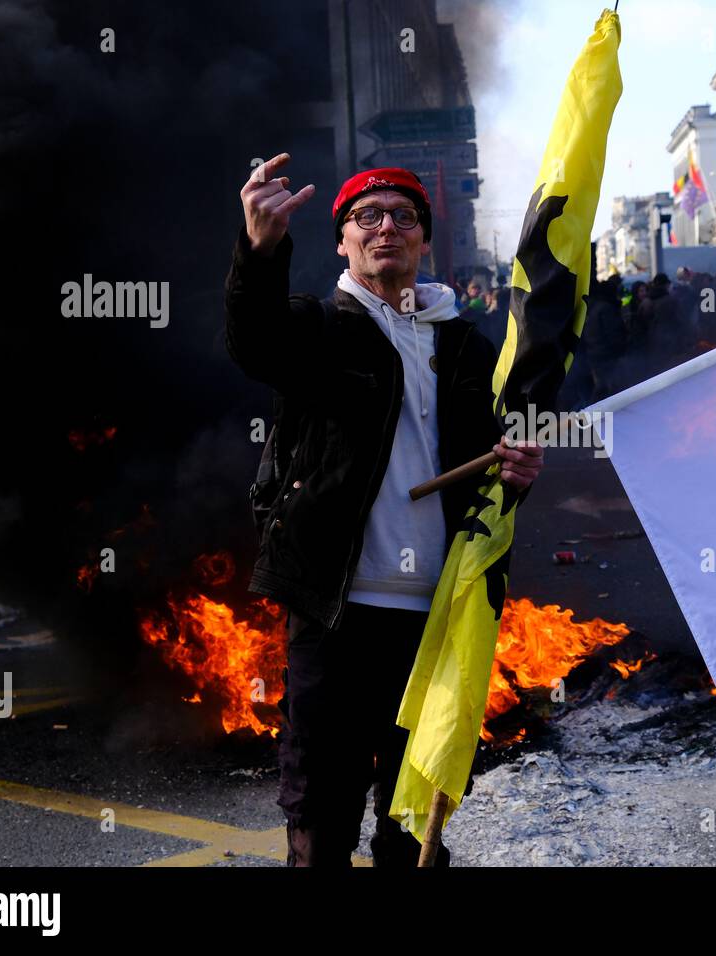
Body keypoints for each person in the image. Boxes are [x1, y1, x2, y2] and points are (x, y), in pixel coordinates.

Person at [224, 157, 544, 867]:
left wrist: (516, 474)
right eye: (366, 217)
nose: (386, 228)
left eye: (404, 216)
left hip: (438, 616)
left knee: (413, 823)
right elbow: (252, 340)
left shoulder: (464, 345)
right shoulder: (316, 330)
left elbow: (494, 464)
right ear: (341, 241)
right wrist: (261, 246)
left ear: (424, 240)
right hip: (336, 610)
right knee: (321, 814)